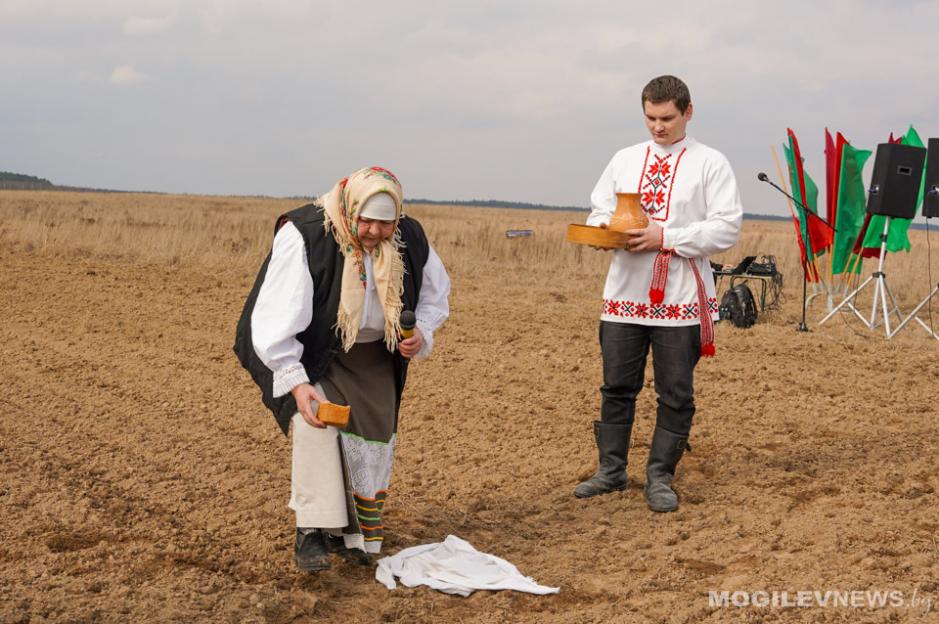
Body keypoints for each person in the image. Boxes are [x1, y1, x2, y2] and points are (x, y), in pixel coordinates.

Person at [234, 166, 450, 571]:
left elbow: (436, 294)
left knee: (370, 443)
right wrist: (296, 382)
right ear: (351, 209)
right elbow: (273, 316)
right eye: (366, 220)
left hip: (374, 357)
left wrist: (420, 333)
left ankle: (348, 536)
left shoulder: (410, 236)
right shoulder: (307, 233)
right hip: (316, 351)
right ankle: (311, 532)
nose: (373, 231)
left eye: (385, 224)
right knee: (316, 425)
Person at [574, 75, 743, 512]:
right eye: (650, 117)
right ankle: (611, 472)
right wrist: (600, 230)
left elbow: (726, 227)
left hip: (681, 296)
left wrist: (665, 235)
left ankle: (659, 476)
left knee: (675, 392)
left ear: (688, 112)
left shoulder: (711, 163)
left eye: (666, 118)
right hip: (625, 292)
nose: (657, 127)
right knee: (616, 386)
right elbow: (599, 209)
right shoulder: (625, 159)